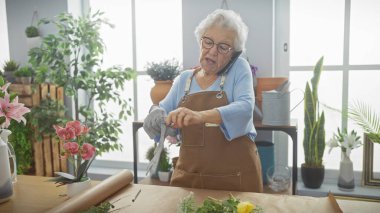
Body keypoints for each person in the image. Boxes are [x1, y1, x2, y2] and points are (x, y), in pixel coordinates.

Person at [143, 9, 263, 193]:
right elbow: (164, 113)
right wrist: (155, 115)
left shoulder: (240, 68)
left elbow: (245, 108)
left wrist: (199, 116)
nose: (213, 51)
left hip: (236, 179)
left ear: (234, 54)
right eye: (208, 42)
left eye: (223, 47)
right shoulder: (184, 79)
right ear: (200, 40)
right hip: (189, 178)